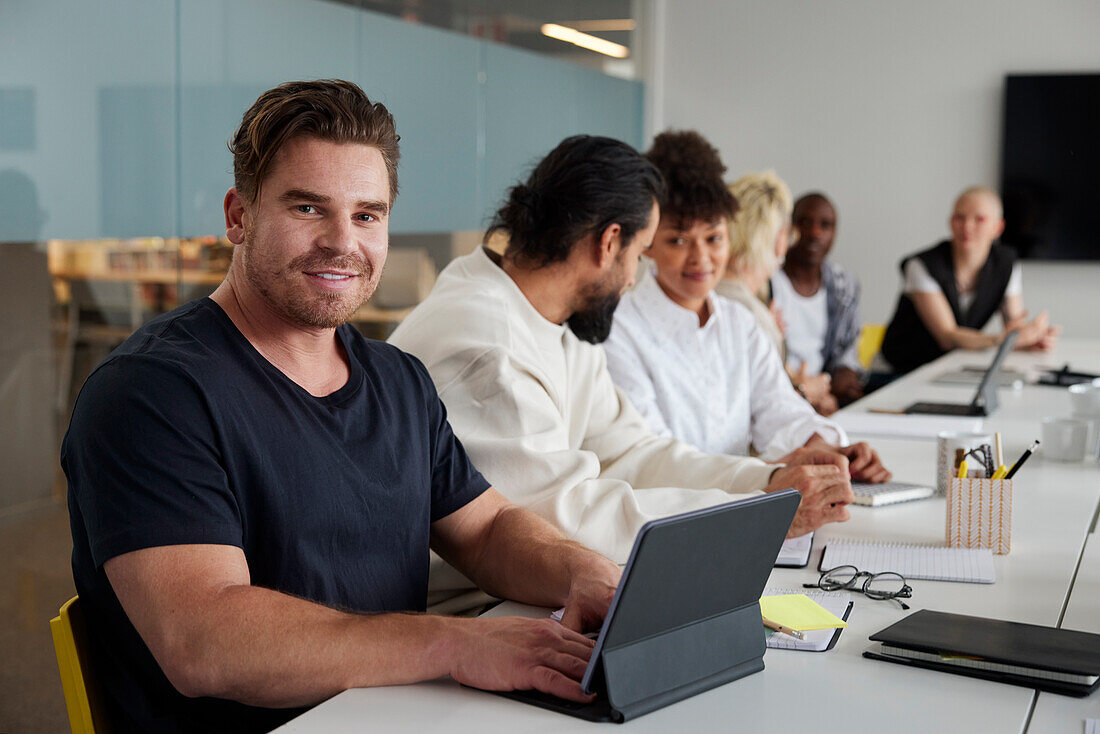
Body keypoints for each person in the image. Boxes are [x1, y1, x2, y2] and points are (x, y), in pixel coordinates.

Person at [61, 80, 624, 734]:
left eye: (367, 214)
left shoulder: (397, 381)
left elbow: (488, 530)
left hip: (398, 717)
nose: (342, 242)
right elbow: (207, 639)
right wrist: (454, 643)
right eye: (306, 208)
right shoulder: (151, 394)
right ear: (238, 215)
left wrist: (584, 573)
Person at [388, 135, 855, 602]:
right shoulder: (488, 348)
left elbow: (631, 452)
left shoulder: (561, 319)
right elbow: (559, 524)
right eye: (642, 252)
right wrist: (760, 513)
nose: (634, 278)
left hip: (529, 592)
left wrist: (765, 483)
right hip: (465, 613)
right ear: (610, 243)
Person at [603, 130, 889, 479]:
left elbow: (779, 409)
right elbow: (653, 459)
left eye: (714, 238)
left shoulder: (739, 323)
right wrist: (764, 473)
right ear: (647, 242)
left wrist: (828, 449)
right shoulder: (619, 330)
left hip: (746, 506)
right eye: (678, 240)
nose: (701, 258)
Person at [881, 186, 1059, 374]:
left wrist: (1029, 339)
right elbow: (947, 336)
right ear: (950, 222)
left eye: (979, 219)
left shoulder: (1007, 263)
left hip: (951, 367)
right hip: (901, 370)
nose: (967, 226)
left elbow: (1013, 326)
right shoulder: (922, 265)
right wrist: (1003, 340)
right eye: (960, 217)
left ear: (998, 228)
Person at [718, 170, 836, 415]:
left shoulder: (711, 295)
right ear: (779, 238)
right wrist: (803, 392)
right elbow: (757, 415)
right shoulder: (753, 316)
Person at [771, 192, 864, 405]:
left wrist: (844, 375)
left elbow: (847, 349)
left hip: (826, 390)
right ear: (788, 229)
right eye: (804, 222)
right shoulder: (769, 283)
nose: (815, 233)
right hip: (785, 392)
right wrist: (808, 394)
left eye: (825, 225)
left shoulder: (843, 283)